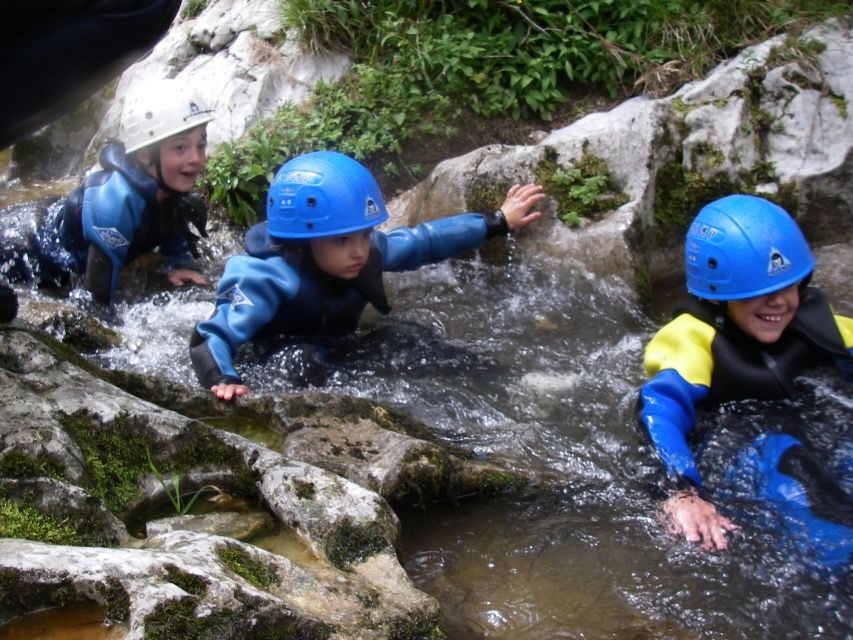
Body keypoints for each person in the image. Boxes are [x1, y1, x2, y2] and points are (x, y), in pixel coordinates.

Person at [190, 150, 545, 401]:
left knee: (410, 338)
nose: (359, 250)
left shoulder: (364, 252)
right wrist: (223, 378)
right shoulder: (267, 276)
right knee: (303, 362)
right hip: (283, 358)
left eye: (364, 234)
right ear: (302, 240)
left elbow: (426, 241)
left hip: (338, 349)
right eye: (342, 239)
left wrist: (496, 222)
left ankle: (506, 382)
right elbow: (210, 336)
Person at [636, 194, 852, 565]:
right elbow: (658, 410)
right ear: (719, 298)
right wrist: (680, 492)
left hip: (819, 425)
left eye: (789, 287)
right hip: (752, 443)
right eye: (760, 293)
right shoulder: (690, 340)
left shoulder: (821, 325)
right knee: (819, 508)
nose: (780, 303)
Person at [20, 79, 214, 306]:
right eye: (180, 148)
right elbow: (96, 301)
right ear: (144, 156)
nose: (196, 158)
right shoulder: (113, 205)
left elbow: (174, 241)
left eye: (200, 145)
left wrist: (179, 266)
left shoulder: (170, 190)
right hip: (26, 244)